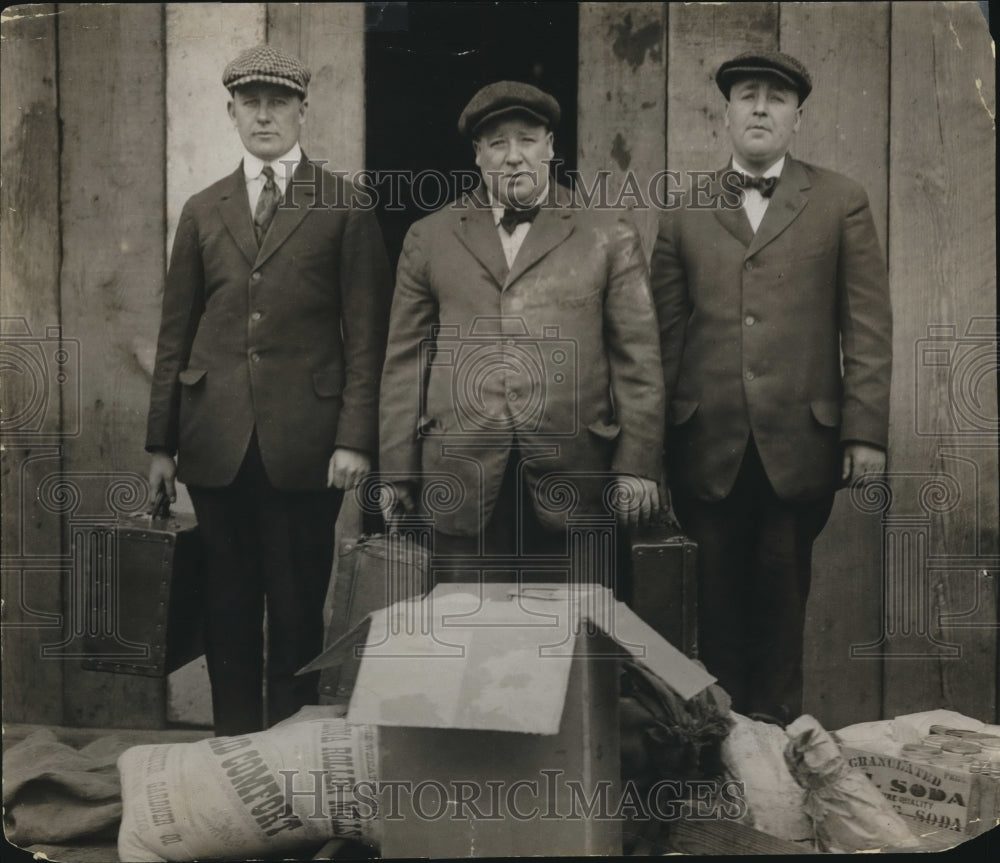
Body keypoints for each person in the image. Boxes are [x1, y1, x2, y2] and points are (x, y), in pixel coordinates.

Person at [146, 45, 391, 735]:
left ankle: (288, 757)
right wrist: (160, 444)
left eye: (278, 102)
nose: (264, 115)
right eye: (249, 103)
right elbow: (175, 332)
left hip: (307, 446)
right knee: (224, 608)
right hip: (213, 440)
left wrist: (355, 438)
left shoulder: (344, 205)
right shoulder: (203, 209)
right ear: (230, 113)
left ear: (302, 111)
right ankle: (233, 755)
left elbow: (368, 335)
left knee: (295, 609)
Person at [651, 51, 892, 726]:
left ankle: (778, 744)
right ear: (726, 114)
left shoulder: (840, 200)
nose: (760, 107)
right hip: (705, 445)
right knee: (715, 608)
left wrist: (865, 432)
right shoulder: (683, 211)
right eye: (747, 96)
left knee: (782, 603)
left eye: (776, 97)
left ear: (797, 118)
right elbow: (658, 341)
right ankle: (724, 751)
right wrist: (646, 448)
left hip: (800, 444)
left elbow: (867, 323)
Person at [379, 81, 664, 579]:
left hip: (577, 472)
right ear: (477, 154)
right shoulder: (429, 236)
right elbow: (406, 362)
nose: (513, 156)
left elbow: (637, 360)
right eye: (497, 143)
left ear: (550, 147)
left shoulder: (608, 232)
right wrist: (397, 471)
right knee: (465, 619)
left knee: (575, 623)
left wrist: (637, 464)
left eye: (527, 140)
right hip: (460, 472)